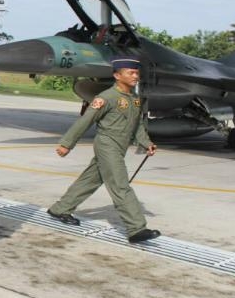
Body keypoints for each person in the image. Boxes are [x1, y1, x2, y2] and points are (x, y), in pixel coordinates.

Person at [47, 56, 161, 244]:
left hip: (120, 145)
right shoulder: (106, 98)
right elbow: (86, 120)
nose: (135, 76)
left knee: (90, 180)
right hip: (107, 144)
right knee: (120, 184)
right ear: (117, 75)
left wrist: (146, 142)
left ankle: (60, 209)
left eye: (137, 73)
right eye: (130, 73)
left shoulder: (134, 98)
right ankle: (136, 228)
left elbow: (137, 124)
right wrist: (67, 144)